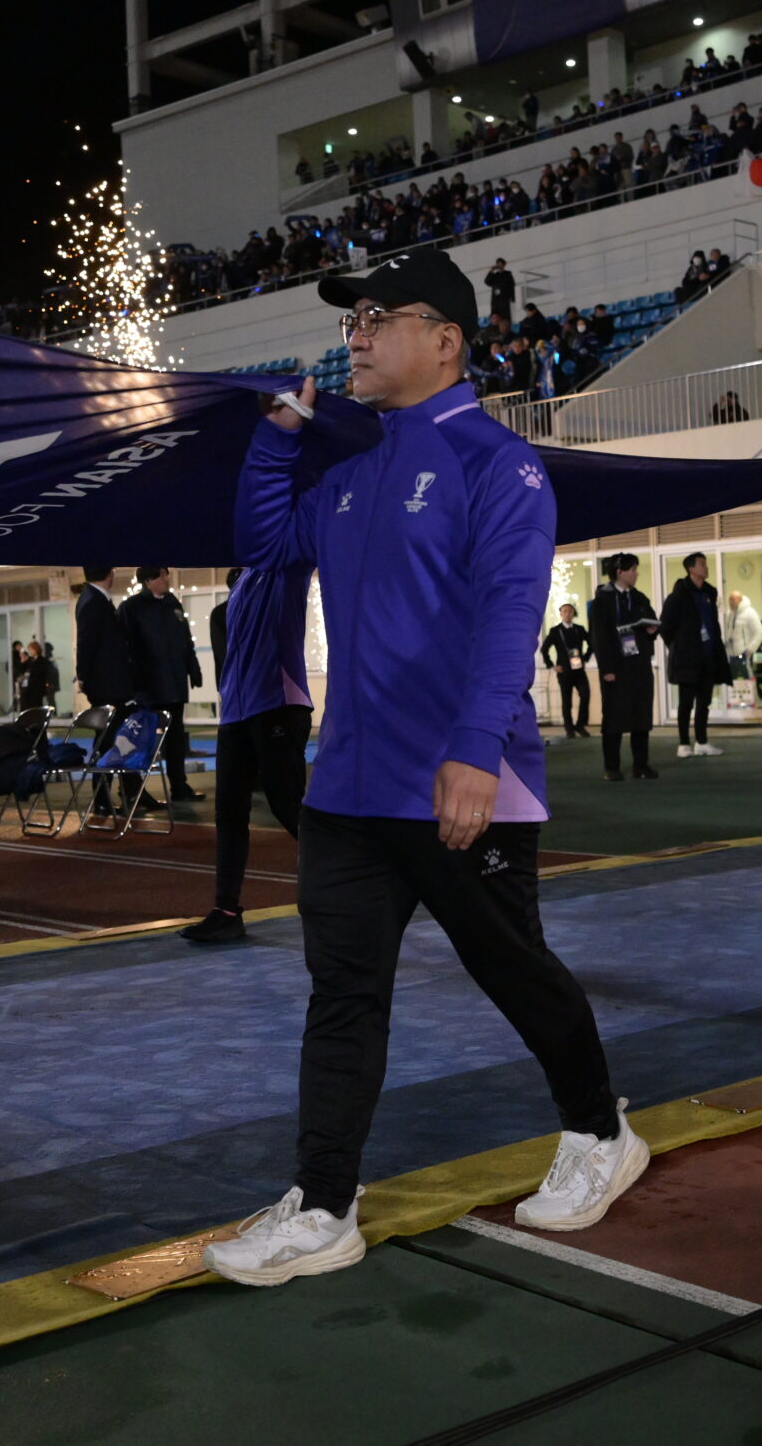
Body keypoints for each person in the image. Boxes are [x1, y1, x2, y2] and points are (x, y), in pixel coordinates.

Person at [211, 249, 643, 1289]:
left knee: (515, 973)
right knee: (342, 994)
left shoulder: (500, 467)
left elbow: (509, 614)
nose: (354, 334)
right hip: (350, 787)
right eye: (350, 318)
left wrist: (470, 751)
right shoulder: (347, 470)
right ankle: (322, 1206)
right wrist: (274, 445)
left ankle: (599, 1132)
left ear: (445, 341)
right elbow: (262, 548)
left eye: (376, 316)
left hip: (460, 782)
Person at [182, 565, 313, 945]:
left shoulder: (287, 567)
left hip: (277, 703)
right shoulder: (241, 583)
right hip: (237, 712)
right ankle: (226, 910)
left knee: (287, 804)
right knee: (229, 813)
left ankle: (352, 883)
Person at [75, 565, 152, 816]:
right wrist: (83, 676)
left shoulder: (93, 599)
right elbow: (87, 643)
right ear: (110, 574)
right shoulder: (94, 602)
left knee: (114, 740)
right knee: (110, 742)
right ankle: (102, 798)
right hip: (108, 686)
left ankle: (119, 794)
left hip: (107, 684)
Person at [123, 567, 205, 802]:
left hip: (175, 683)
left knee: (176, 739)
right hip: (148, 687)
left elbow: (185, 640)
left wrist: (193, 668)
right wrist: (134, 684)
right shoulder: (133, 608)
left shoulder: (172, 604)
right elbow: (127, 648)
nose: (167, 578)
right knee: (141, 739)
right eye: (161, 574)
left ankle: (179, 786)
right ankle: (133, 791)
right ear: (148, 580)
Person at [590, 553, 661, 781]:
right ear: (620, 572)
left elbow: (651, 621)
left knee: (641, 715)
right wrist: (606, 669)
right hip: (616, 668)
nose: (636, 573)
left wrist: (653, 630)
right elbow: (599, 637)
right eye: (632, 570)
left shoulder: (638, 597)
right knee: (614, 717)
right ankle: (612, 767)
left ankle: (641, 765)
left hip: (639, 665)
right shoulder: (603, 600)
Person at [659, 551, 731, 758]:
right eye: (702, 564)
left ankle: (702, 741)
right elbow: (666, 627)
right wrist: (679, 646)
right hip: (687, 659)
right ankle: (683, 743)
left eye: (706, 564)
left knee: (704, 702)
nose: (706, 568)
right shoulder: (679, 596)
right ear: (691, 569)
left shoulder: (709, 593)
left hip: (708, 657)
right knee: (686, 703)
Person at [542, 600, 592, 738]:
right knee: (567, 700)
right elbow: (544, 649)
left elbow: (591, 643)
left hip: (579, 669)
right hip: (564, 670)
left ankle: (580, 725)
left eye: (570, 611)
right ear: (561, 614)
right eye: (565, 611)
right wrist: (552, 666)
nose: (568, 614)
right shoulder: (555, 631)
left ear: (573, 614)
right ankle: (569, 728)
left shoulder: (579, 629)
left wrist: (586, 658)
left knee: (585, 694)